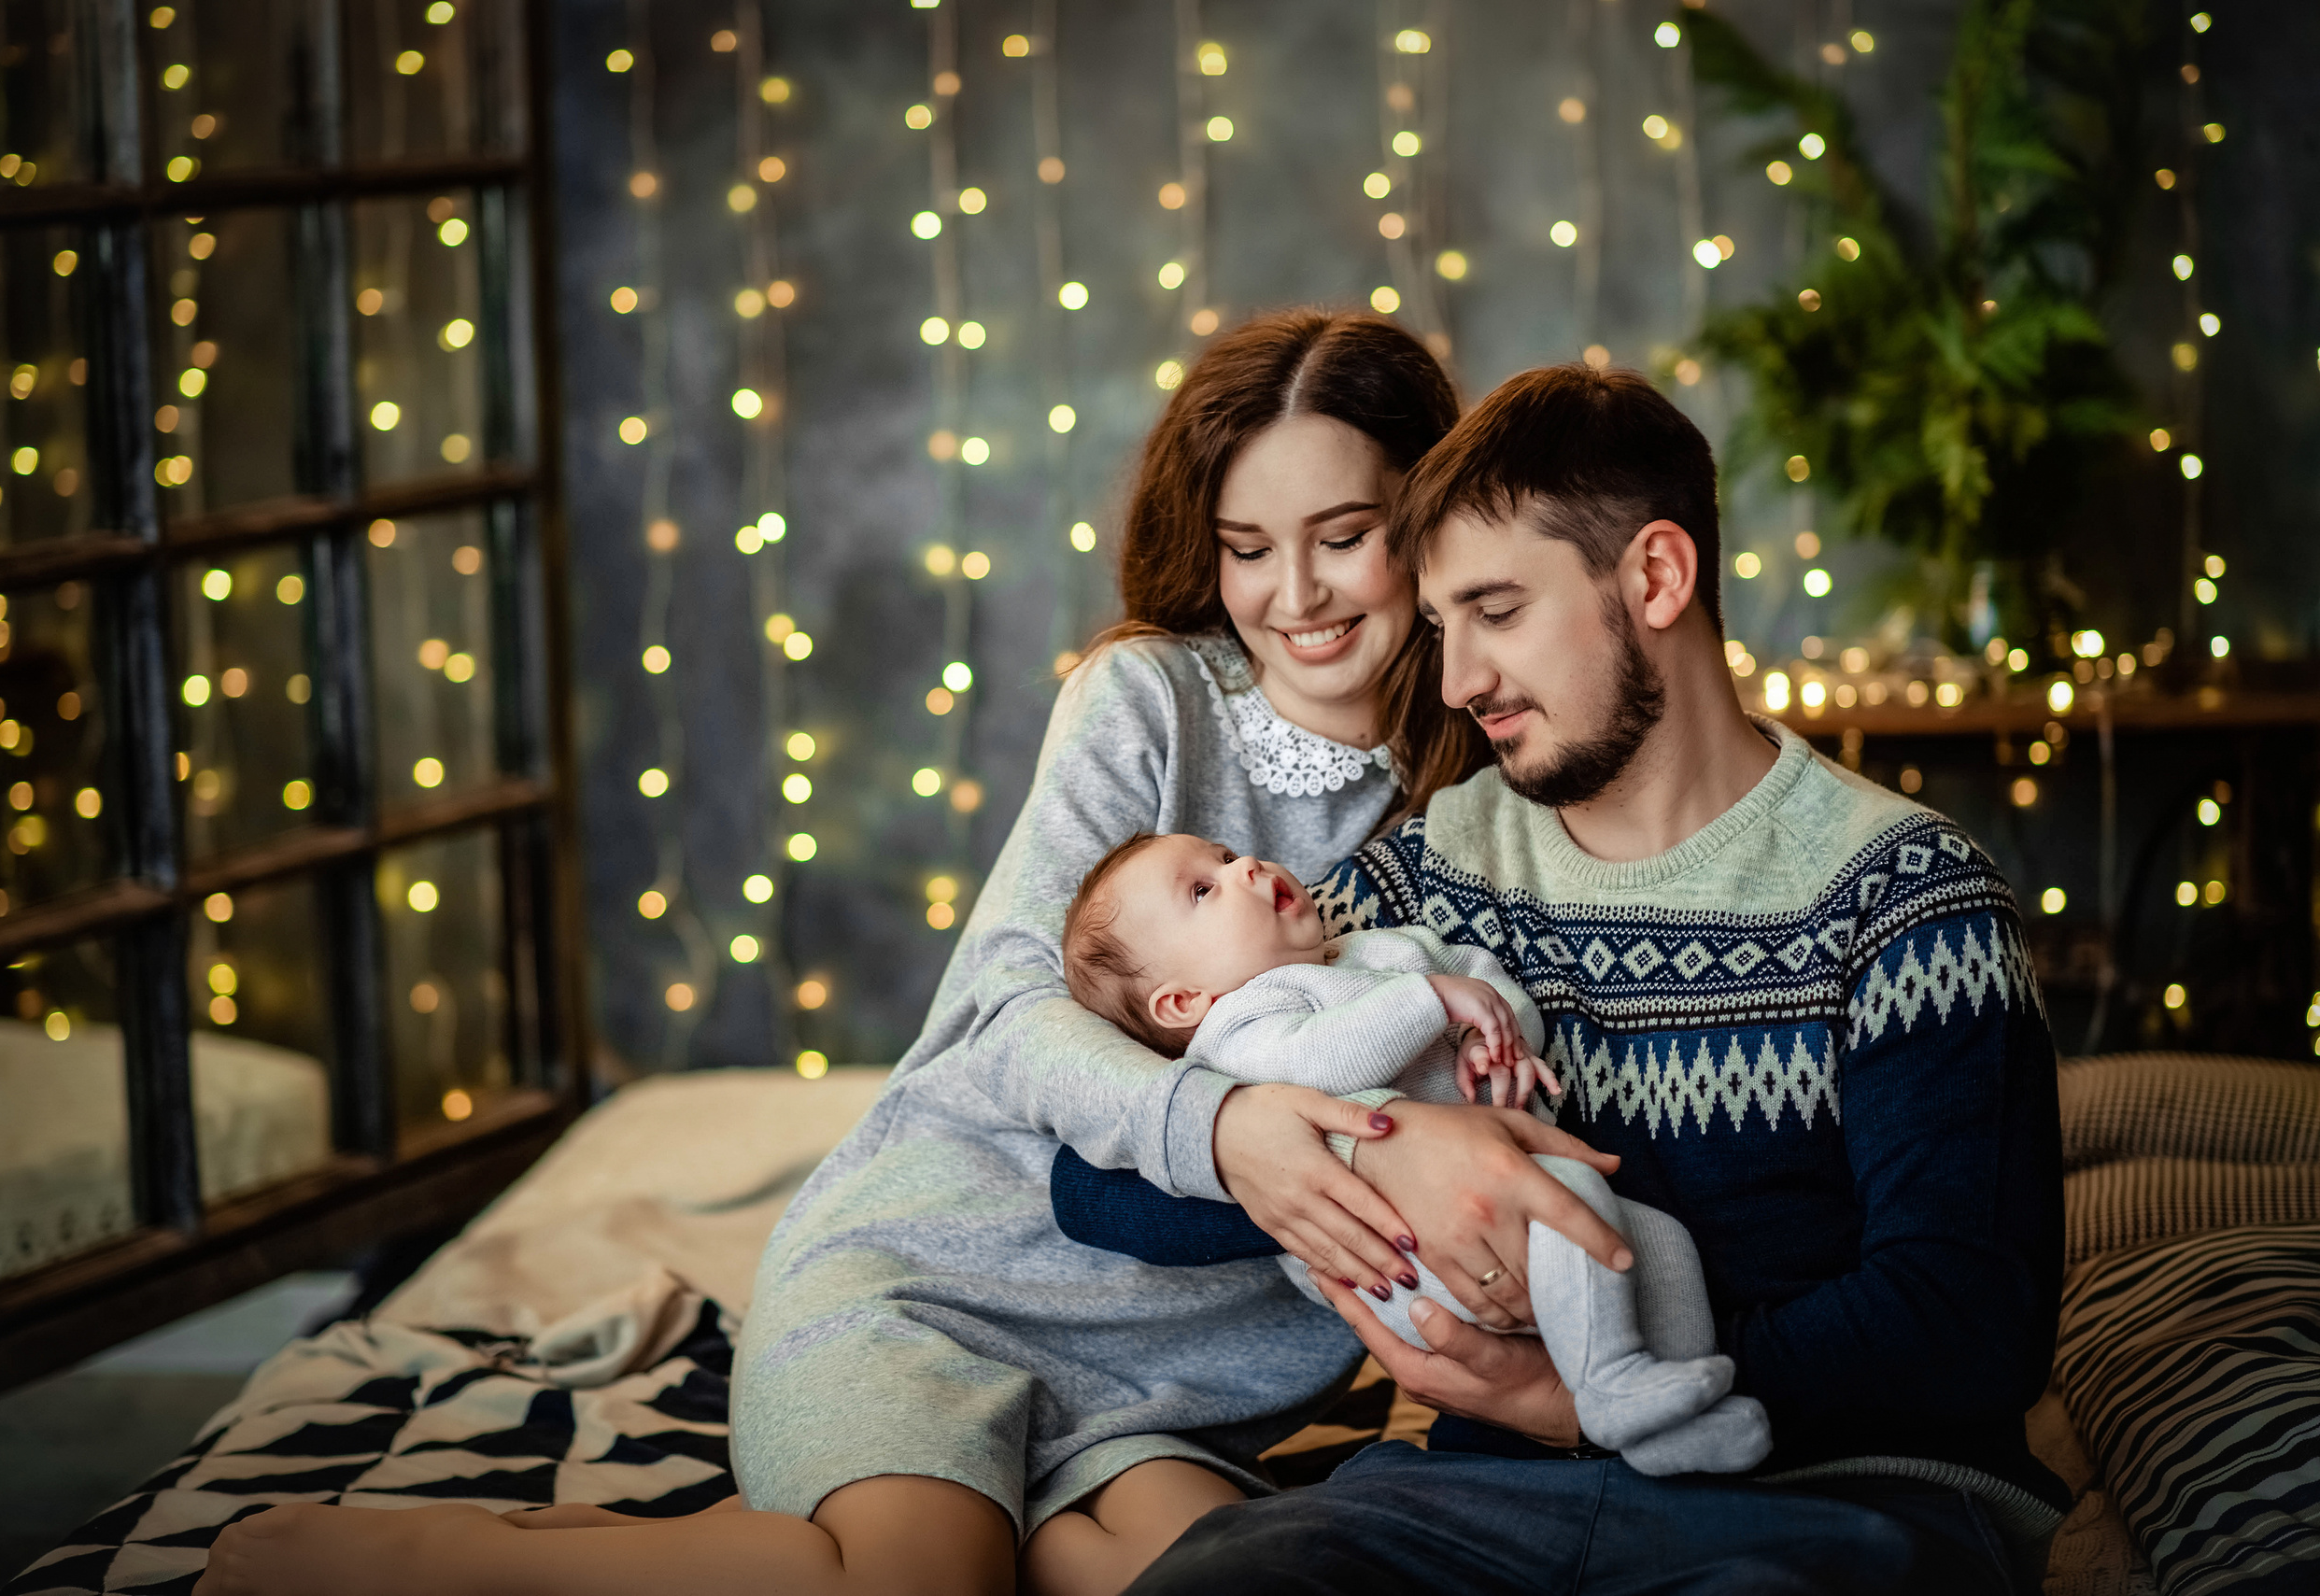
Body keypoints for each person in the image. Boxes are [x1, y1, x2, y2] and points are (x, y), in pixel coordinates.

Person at [192, 312, 1631, 1596]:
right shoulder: (1147, 700)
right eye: (1249, 548)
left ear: (1429, 519)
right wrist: (1227, 1124)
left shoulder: (1486, 774)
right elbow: (1009, 1013)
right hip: (934, 1282)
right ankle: (431, 1558)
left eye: (1344, 534)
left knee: (1229, 1580)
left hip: (1184, 1380)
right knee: (918, 1578)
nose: (1295, 593)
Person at [1056, 364, 2068, 1596]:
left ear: (1656, 577)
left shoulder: (1908, 896)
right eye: (1442, 627)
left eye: (1497, 611)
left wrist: (1583, 1395)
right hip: (1483, 1499)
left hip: (1834, 1495)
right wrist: (1373, 1151)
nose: (1456, 682)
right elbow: (1093, 1182)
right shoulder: (1433, 872)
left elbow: (1964, 1320)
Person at [1061, 827, 1772, 1476]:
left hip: (1502, 1191)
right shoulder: (1236, 1029)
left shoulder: (1382, 948)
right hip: (1400, 1261)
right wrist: (1433, 1000)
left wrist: (1492, 1036)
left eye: (1223, 855)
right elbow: (1319, 1058)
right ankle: (1613, 1382)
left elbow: (1484, 985)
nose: (1243, 864)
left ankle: (1678, 1413)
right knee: (1569, 1202)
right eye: (1202, 889)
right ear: (1182, 1002)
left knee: (1661, 1241)